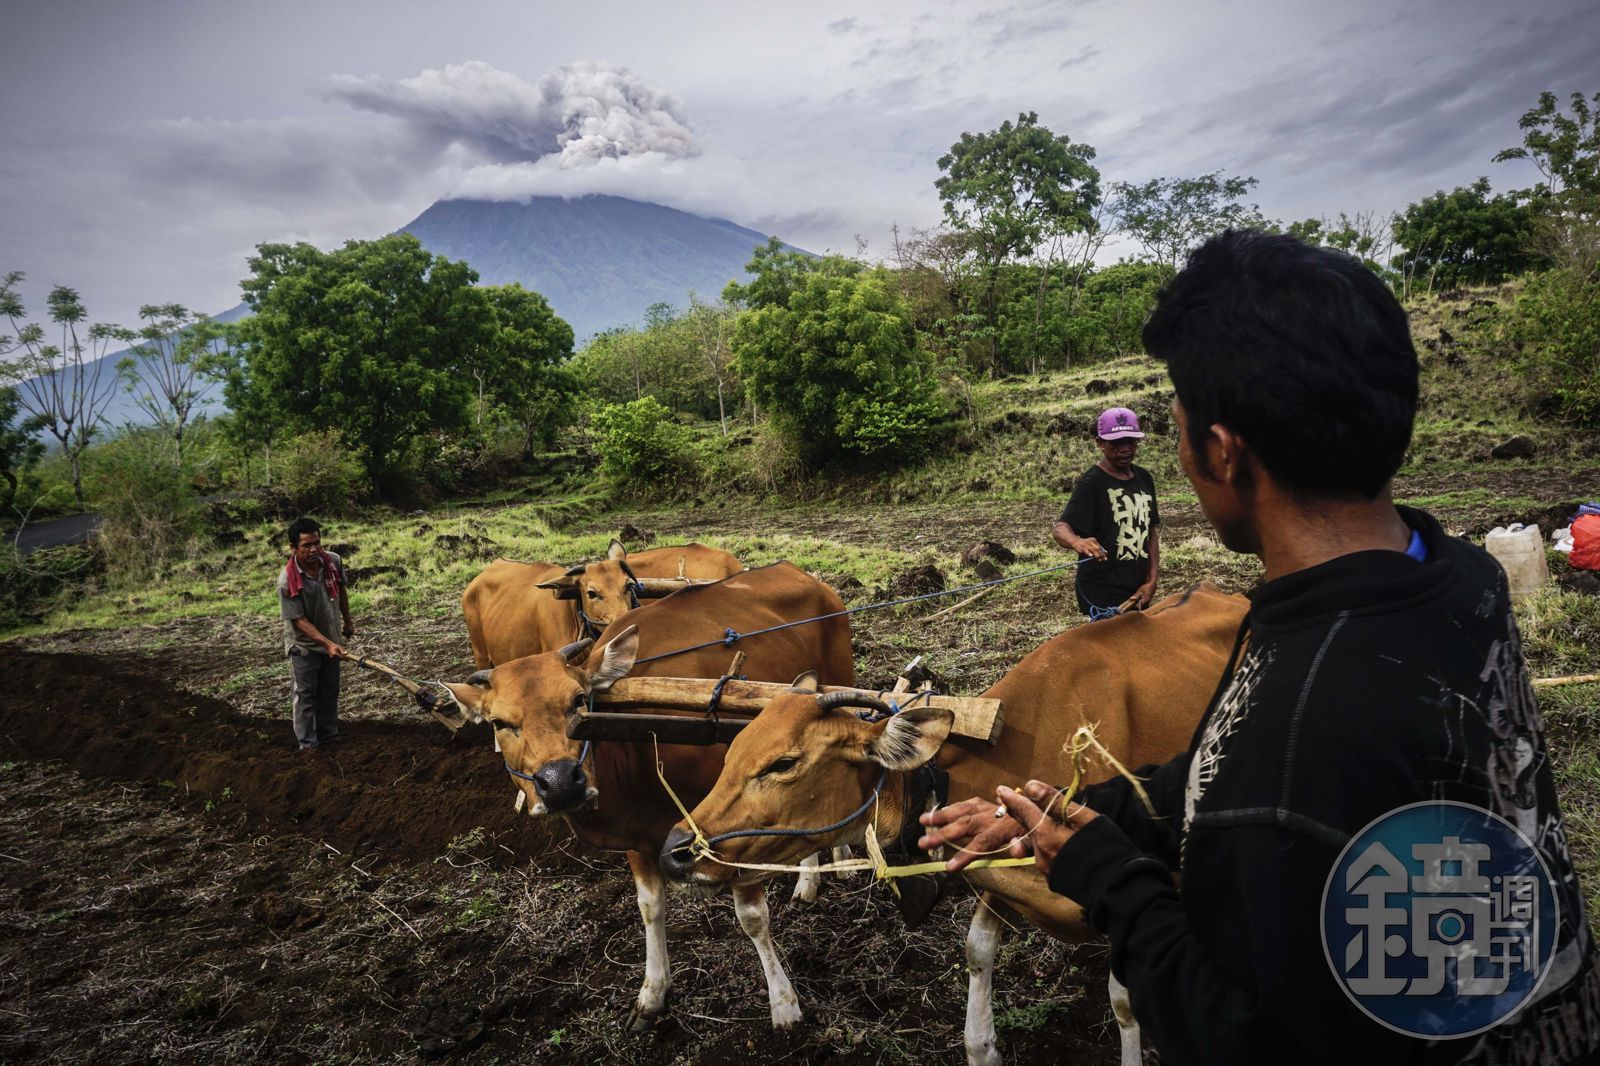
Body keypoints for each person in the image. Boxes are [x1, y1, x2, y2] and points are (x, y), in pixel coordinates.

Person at [922, 230, 1598, 1064]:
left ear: (1221, 452)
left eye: (1177, 431)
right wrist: (1088, 810)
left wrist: (1102, 874)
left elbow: (1240, 1036)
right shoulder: (1458, 577)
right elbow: (1222, 772)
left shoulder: (1302, 730)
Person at [1053, 407, 1160, 619]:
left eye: (1130, 441)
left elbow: (1151, 533)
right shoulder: (1092, 483)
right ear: (1100, 443)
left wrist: (1151, 580)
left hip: (1137, 588)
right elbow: (1060, 529)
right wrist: (1077, 542)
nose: (1125, 449)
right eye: (1116, 443)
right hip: (1102, 591)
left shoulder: (1144, 478)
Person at [278, 516, 355, 751]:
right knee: (306, 694)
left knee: (330, 689)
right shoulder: (287, 580)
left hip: (331, 638)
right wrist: (327, 644)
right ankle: (308, 745)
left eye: (317, 543)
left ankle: (328, 735)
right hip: (304, 646)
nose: (314, 549)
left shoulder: (333, 562)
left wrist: (347, 622)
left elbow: (341, 590)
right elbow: (298, 621)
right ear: (293, 548)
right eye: (307, 545)